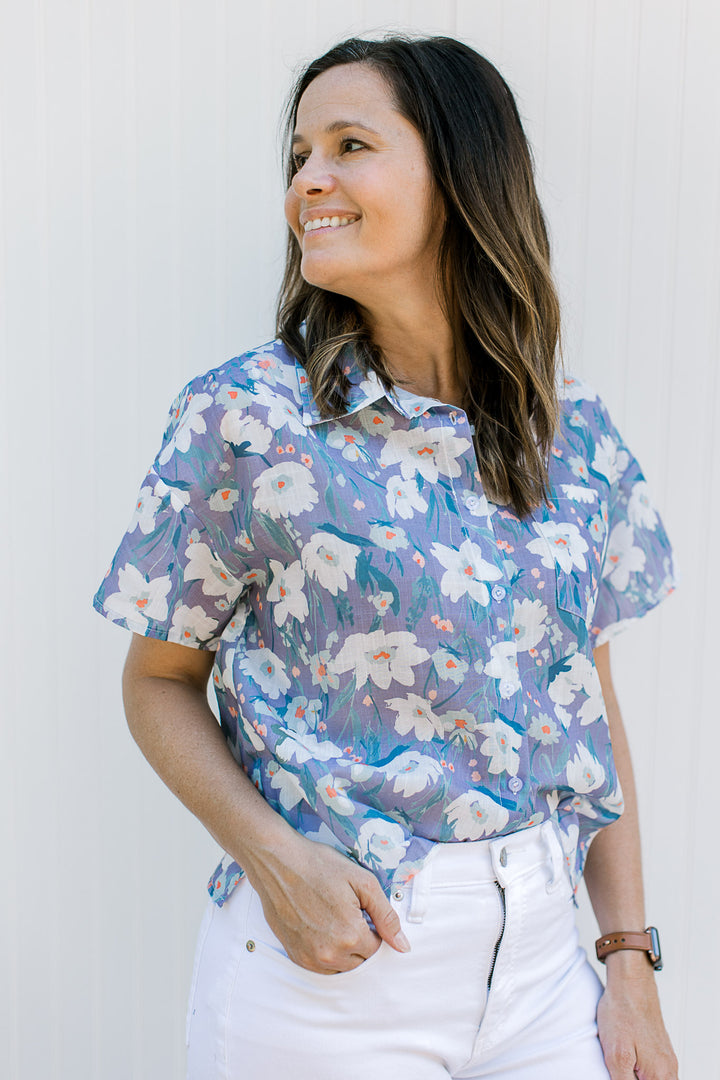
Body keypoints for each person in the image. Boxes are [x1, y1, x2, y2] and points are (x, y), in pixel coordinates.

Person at [93, 34, 679, 1080]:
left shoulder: (569, 426)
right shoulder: (247, 419)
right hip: (333, 971)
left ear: (459, 175)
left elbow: (587, 692)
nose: (308, 179)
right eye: (298, 154)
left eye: (349, 144)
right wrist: (274, 861)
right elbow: (157, 682)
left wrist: (627, 958)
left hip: (548, 965)